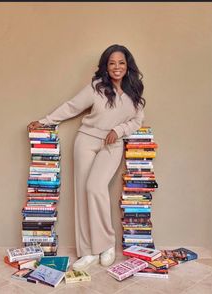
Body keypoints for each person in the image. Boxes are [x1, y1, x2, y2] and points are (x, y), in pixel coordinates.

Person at [28, 44, 146, 271]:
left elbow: (136, 121)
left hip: (112, 145)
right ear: (106, 66)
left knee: (95, 186)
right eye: (112, 63)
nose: (117, 67)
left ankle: (106, 243)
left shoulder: (135, 92)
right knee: (82, 193)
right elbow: (72, 106)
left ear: (127, 65)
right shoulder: (97, 88)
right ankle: (88, 251)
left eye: (121, 62)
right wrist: (46, 121)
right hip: (86, 141)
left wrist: (118, 131)